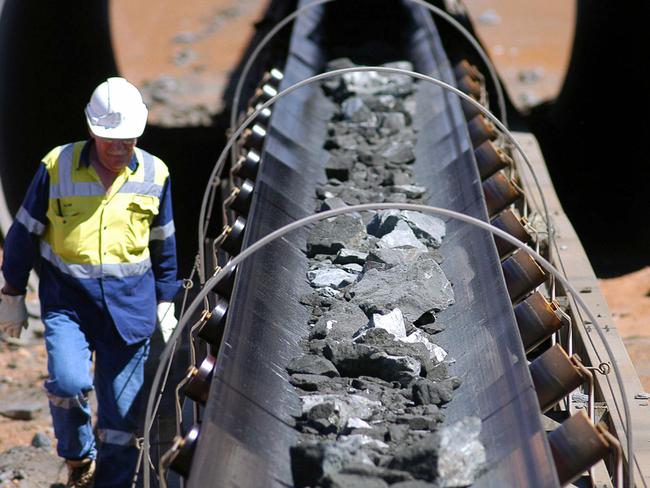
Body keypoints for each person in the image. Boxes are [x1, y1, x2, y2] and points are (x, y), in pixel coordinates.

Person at [0, 77, 181, 487]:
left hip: (130, 308)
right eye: (109, 140)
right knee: (68, 382)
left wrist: (166, 300)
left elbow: (164, 243)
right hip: (70, 304)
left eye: (127, 140)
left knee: (120, 417)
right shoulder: (57, 166)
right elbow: (24, 233)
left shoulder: (156, 173)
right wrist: (11, 291)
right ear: (92, 130)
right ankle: (78, 456)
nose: (118, 149)